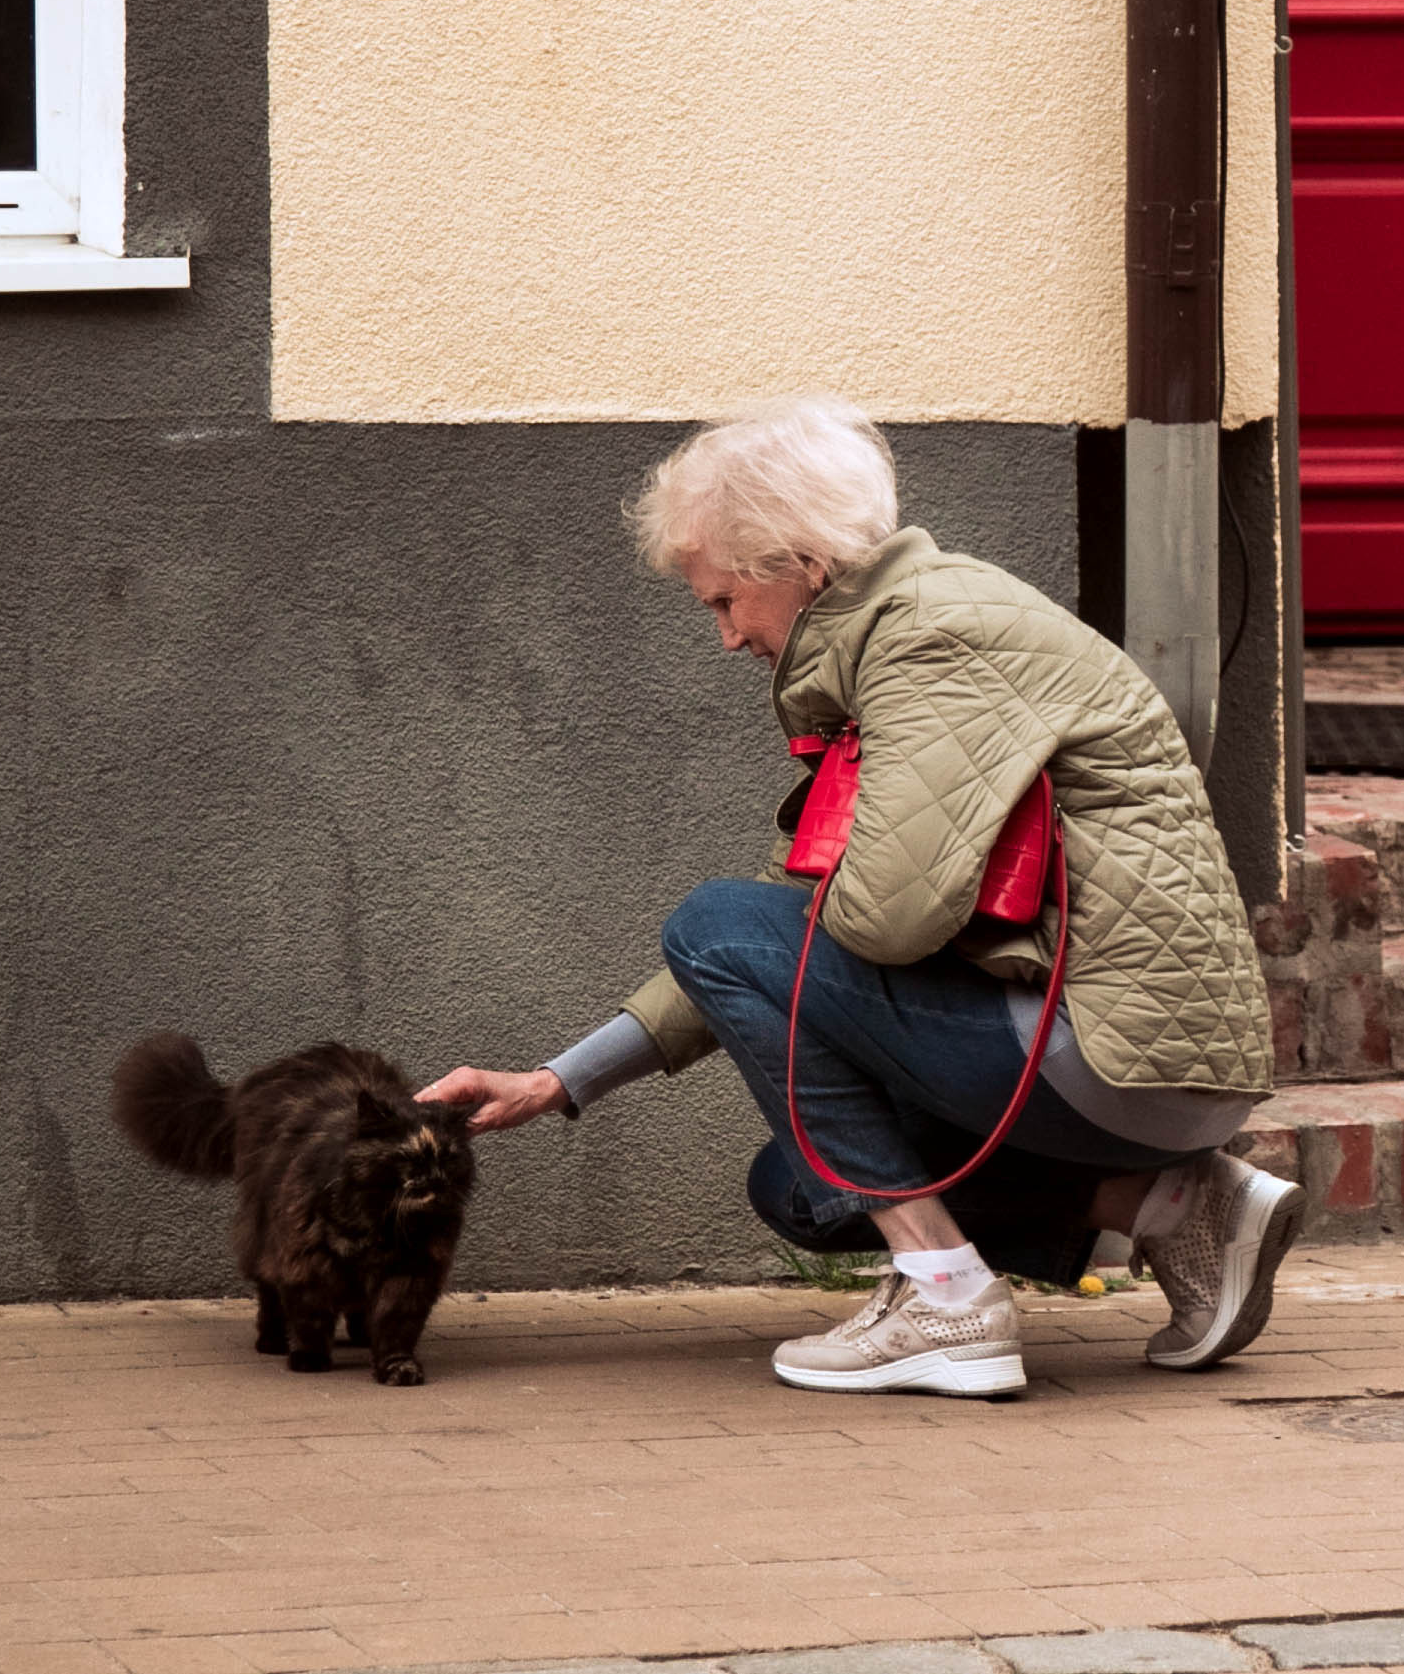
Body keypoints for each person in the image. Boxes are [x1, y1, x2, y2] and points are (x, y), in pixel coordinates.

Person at [420, 397, 1297, 1398]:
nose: (725, 636)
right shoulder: (914, 626)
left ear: (799, 561)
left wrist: (807, 966)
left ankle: (944, 1295)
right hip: (1145, 1064)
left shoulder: (931, 640)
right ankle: (1172, 1206)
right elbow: (788, 933)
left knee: (714, 923)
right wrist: (556, 1082)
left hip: (1109, 1049)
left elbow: (872, 920)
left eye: (722, 601)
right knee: (799, 1188)